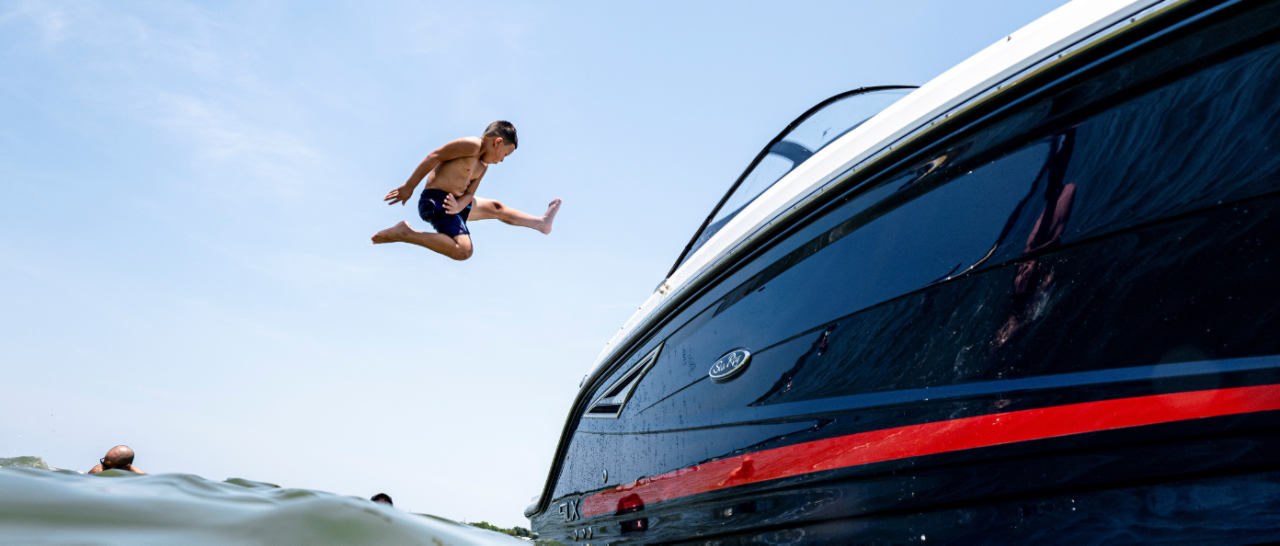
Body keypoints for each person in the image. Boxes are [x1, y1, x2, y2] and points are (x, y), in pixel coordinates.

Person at [372, 121, 562, 260]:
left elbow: (470, 193)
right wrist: (409, 186)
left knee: (496, 207)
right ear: (497, 142)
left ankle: (541, 223)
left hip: (455, 203)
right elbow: (435, 156)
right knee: (463, 251)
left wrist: (459, 206)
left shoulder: (482, 167)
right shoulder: (471, 145)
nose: (502, 160)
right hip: (436, 202)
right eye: (505, 154)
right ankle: (406, 233)